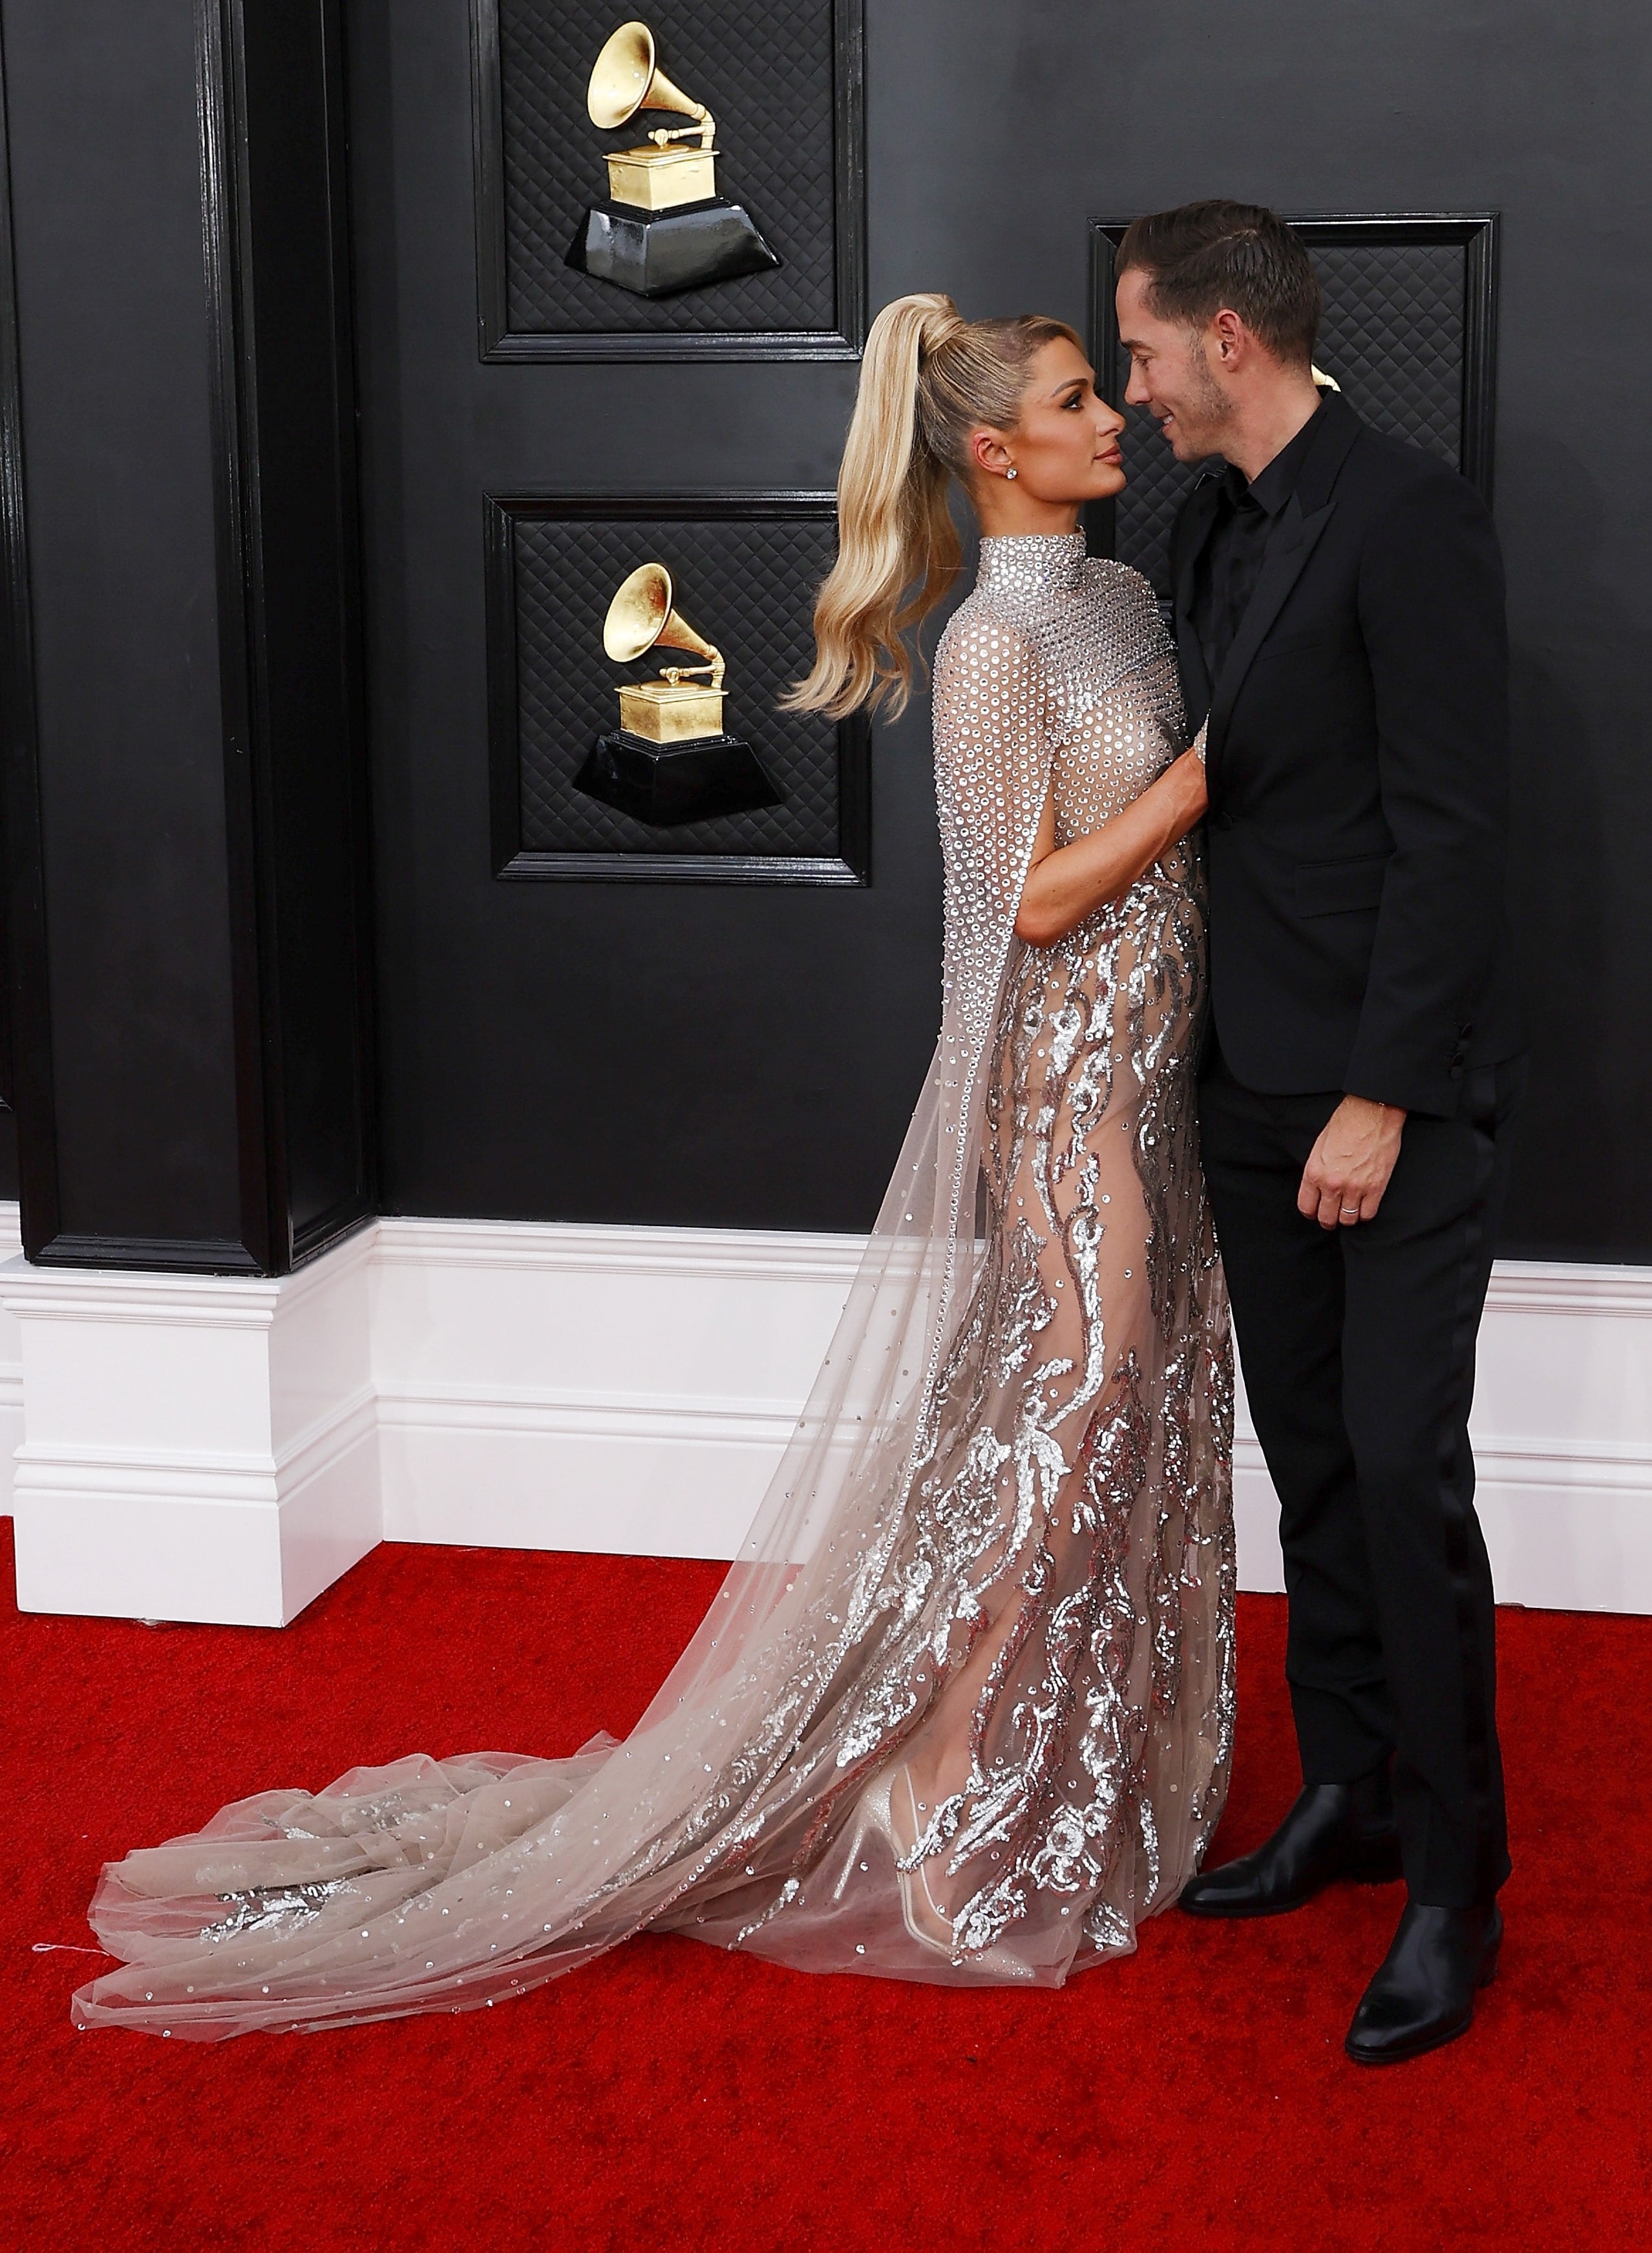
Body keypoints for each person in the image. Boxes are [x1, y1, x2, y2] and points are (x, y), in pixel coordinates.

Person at [70, 295, 1232, 2039]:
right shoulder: (991, 648)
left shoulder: (1125, 599)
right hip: (1069, 1091)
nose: (1111, 423)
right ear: (994, 448)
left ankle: (1057, 1772)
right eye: (1081, 401)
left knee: (1116, 1427)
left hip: (1154, 1081)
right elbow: (1023, 905)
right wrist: (1199, 786)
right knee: (1051, 1450)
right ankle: (949, 1812)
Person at [1114, 202, 1524, 2065]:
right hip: (1242, 1083)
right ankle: (1349, 1795)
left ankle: (1454, 1882)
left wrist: (1378, 1090)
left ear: (1224, 339)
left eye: (1138, 355)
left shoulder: (1409, 513)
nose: (1127, 394)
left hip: (1390, 1098)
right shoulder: (1198, 521)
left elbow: (1451, 830)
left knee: (1397, 1464)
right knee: (1311, 1469)